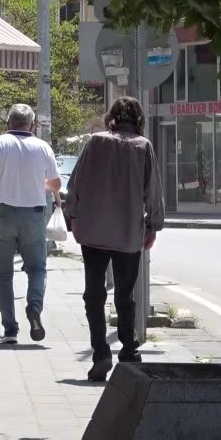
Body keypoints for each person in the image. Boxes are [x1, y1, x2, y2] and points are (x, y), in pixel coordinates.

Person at [64, 96, 164, 382]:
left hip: (93, 230)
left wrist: (71, 215)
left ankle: (100, 352)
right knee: (124, 295)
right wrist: (153, 224)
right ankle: (129, 351)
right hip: (127, 232)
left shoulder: (96, 142)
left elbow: (77, 182)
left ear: (112, 117)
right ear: (138, 120)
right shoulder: (143, 147)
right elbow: (153, 190)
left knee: (93, 294)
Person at [0, 104, 61, 344]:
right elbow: (55, 185)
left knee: (2, 273)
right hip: (33, 215)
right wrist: (39, 185)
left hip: (2, 214)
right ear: (31, 125)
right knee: (37, 268)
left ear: (8, 123)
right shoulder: (43, 147)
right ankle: (34, 308)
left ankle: (10, 329)